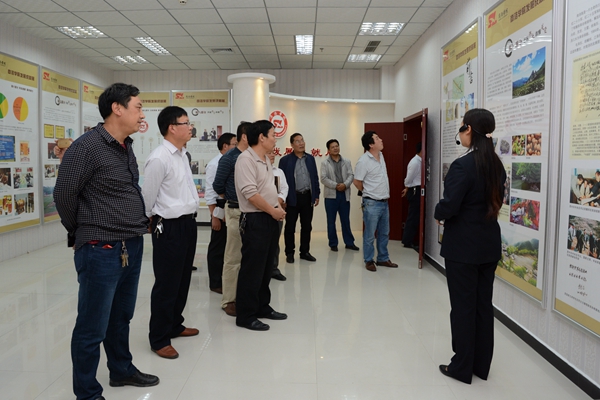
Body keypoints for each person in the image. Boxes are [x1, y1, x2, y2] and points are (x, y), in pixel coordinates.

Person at [54, 83, 159, 400]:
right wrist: (83, 231)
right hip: (101, 248)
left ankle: (121, 370)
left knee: (120, 317)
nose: (142, 114)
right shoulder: (86, 147)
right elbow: (64, 195)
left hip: (131, 244)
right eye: (138, 107)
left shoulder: (125, 146)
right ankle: (87, 392)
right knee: (92, 326)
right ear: (117, 108)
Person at [434, 108, 507, 384]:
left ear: (468, 130)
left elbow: (450, 205)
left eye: (462, 127)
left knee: (463, 307)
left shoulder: (462, 166)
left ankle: (462, 367)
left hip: (463, 248)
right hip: (488, 246)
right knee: (483, 306)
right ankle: (480, 365)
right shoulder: (496, 165)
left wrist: (439, 212)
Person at [143, 106, 200, 360]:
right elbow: (148, 197)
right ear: (172, 128)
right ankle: (159, 338)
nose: (190, 127)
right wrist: (150, 220)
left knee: (183, 279)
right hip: (168, 226)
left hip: (188, 224)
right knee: (167, 283)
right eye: (186, 123)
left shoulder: (182, 155)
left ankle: (175, 324)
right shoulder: (159, 158)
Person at [234, 120, 287, 331]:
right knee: (252, 269)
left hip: (270, 218)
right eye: (273, 135)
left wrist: (277, 207)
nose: (275, 139)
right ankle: (246, 315)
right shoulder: (245, 160)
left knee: (266, 268)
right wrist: (272, 211)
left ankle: (262, 306)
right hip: (255, 219)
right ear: (261, 137)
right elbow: (251, 194)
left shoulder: (265, 159)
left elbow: (268, 189)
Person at [213, 122, 251, 317]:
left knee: (248, 258)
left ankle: (243, 296)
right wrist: (231, 196)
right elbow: (218, 185)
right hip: (235, 210)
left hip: (252, 212)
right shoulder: (229, 158)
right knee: (233, 257)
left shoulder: (252, 156)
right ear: (245, 136)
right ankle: (228, 300)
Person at [353, 131, 398, 272]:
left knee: (384, 233)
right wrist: (368, 192)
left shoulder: (381, 156)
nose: (381, 139)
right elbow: (357, 181)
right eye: (377, 138)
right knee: (370, 234)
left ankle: (383, 258)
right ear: (371, 145)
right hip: (371, 203)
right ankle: (369, 260)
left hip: (384, 202)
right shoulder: (363, 161)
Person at [279, 133, 320, 263]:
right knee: (290, 227)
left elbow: (315, 178)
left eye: (302, 140)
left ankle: (305, 252)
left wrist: (316, 194)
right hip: (292, 198)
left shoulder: (310, 159)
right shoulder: (285, 161)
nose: (301, 143)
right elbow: (280, 182)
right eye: (297, 141)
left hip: (307, 197)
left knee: (307, 226)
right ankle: (289, 253)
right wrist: (283, 199)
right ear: (292, 145)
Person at [205, 132, 237, 293]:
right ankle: (215, 282)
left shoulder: (231, 160)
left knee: (228, 246)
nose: (236, 147)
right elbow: (211, 193)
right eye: (234, 144)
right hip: (219, 206)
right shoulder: (214, 164)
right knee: (217, 247)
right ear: (225, 146)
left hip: (229, 205)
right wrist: (214, 217)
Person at [320, 139, 359, 252]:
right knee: (331, 221)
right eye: (332, 147)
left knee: (345, 220)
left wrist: (345, 185)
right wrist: (336, 185)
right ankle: (333, 243)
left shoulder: (346, 161)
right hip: (331, 196)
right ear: (328, 150)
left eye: (337, 146)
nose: (335, 148)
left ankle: (349, 243)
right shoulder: (325, 163)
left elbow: (351, 175)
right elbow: (323, 178)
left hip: (344, 194)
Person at [268, 149, 288, 281]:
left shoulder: (278, 171)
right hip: (262, 210)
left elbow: (284, 188)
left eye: (273, 153)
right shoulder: (257, 170)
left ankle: (274, 269)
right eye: (269, 153)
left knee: (275, 241)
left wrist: (280, 199)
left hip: (277, 208)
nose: (272, 155)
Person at [401, 142, 422, 251]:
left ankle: (409, 239)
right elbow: (408, 179)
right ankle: (407, 241)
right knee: (413, 217)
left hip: (415, 189)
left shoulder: (419, 161)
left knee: (415, 216)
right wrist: (407, 187)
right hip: (415, 190)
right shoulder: (415, 162)